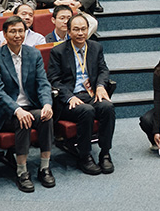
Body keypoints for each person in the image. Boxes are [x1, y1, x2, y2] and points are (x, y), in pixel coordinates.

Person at [0, 16, 55, 192]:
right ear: (4, 34)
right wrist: (17, 110)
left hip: (31, 106)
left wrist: (47, 104)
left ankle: (44, 167)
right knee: (23, 120)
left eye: (20, 31)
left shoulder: (33, 54)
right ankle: (22, 171)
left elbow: (43, 83)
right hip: (8, 111)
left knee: (46, 117)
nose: (17, 35)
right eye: (13, 31)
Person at [48, 13, 115, 175]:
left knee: (107, 107)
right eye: (76, 29)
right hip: (69, 99)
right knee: (87, 110)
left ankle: (105, 153)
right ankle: (85, 156)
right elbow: (54, 80)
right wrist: (69, 97)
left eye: (83, 29)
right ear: (69, 32)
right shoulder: (58, 51)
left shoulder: (95, 47)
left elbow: (103, 70)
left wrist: (100, 86)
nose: (80, 33)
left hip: (91, 94)